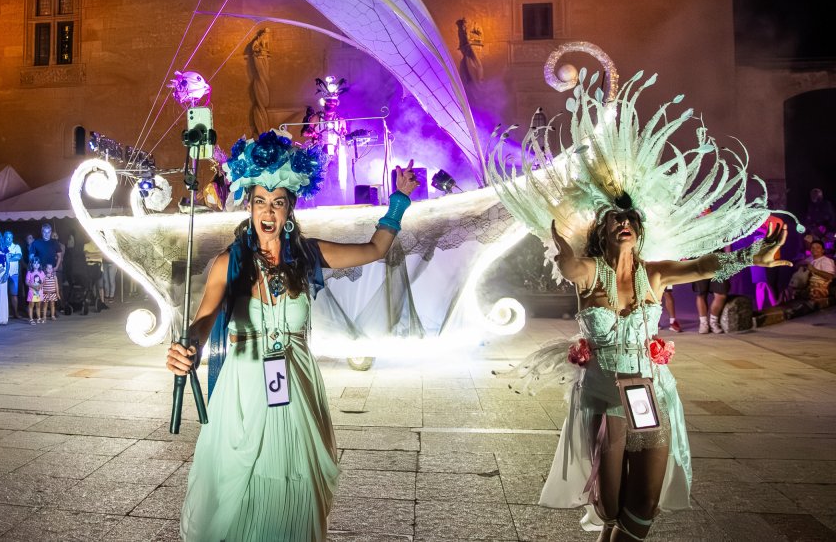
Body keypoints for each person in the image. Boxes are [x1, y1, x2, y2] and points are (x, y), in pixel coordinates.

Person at [485, 71, 793, 541]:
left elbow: (703, 266)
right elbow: (570, 267)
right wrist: (563, 250)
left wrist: (752, 255)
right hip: (605, 397)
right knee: (608, 505)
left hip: (652, 393)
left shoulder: (654, 272)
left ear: (639, 226)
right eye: (615, 219)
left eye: (631, 218)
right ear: (601, 229)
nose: (625, 223)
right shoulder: (588, 273)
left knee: (642, 506)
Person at [166, 130, 419, 541]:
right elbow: (205, 318)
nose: (268, 211)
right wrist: (189, 346)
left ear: (290, 208)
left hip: (296, 385)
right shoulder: (229, 263)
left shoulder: (309, 255)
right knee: (243, 485)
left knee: (295, 485)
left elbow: (375, 249)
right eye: (260, 201)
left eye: (278, 202)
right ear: (248, 205)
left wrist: (399, 200)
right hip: (245, 388)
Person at [3, 231, 23, 321]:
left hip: (14, 274)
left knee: (14, 294)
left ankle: (15, 313)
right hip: (3, 273)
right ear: (4, 238)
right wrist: (11, 257)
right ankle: (4, 313)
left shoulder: (16, 246)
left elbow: (18, 257)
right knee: (3, 294)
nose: (9, 239)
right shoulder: (1, 247)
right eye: (7, 237)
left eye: (11, 237)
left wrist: (7, 258)